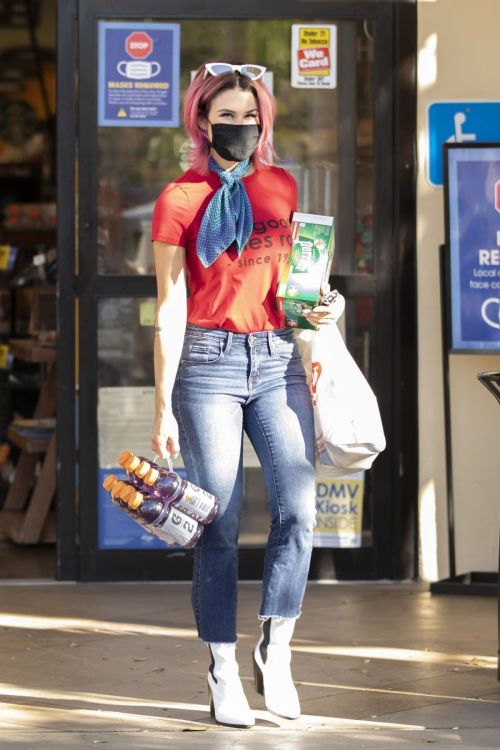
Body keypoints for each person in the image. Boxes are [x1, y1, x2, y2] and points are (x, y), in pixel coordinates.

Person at [150, 60, 344, 728]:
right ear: (202, 120)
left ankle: (276, 650)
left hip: (277, 360)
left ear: (264, 119)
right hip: (206, 364)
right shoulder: (179, 197)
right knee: (220, 527)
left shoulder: (281, 186)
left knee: (298, 511)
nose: (238, 125)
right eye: (224, 115)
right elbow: (170, 305)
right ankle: (222, 671)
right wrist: (160, 402)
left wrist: (318, 328)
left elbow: (296, 288)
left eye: (249, 114)